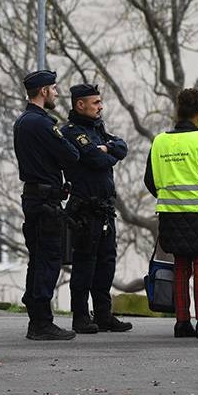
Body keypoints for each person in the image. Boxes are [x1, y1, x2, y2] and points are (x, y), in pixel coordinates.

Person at [144, 88, 198, 338]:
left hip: (170, 215)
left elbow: (149, 179)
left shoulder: (160, 141)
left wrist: (169, 197)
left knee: (181, 268)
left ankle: (182, 322)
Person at [14, 69, 80, 340]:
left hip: (34, 198)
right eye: (53, 88)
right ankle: (41, 322)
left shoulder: (23, 121)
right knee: (49, 258)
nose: (56, 93)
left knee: (38, 257)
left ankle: (37, 315)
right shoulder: (41, 123)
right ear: (42, 91)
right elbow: (71, 155)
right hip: (45, 201)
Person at [61, 84, 133, 334]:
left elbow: (122, 147)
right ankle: (81, 316)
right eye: (96, 103)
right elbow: (96, 158)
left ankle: (104, 314)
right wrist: (107, 152)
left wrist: (108, 149)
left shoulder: (97, 128)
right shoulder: (71, 132)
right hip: (84, 209)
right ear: (80, 104)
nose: (101, 107)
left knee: (106, 263)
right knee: (85, 264)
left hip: (104, 209)